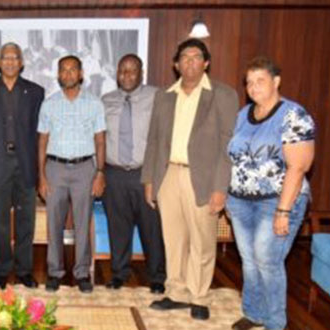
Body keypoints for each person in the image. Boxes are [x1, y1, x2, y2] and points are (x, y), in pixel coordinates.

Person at [141, 38, 239, 320]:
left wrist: (221, 187)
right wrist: (150, 179)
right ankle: (176, 292)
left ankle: (199, 295)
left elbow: (227, 145)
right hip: (168, 174)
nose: (190, 62)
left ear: (206, 63)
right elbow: (154, 140)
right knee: (173, 239)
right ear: (176, 64)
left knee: (202, 240)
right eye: (184, 57)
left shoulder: (223, 94)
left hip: (204, 178)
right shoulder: (164, 95)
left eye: (196, 57)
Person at [227, 57, 315, 330]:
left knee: (268, 260)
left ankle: (276, 323)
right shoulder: (243, 115)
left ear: (276, 82)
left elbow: (298, 167)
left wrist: (284, 211)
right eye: (249, 82)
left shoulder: (293, 114)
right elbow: (233, 157)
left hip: (277, 201)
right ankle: (253, 313)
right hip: (241, 201)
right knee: (249, 261)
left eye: (260, 81)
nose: (253, 87)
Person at [0, 42, 45, 290]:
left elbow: (40, 136)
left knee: (26, 220)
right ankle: (2, 270)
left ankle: (25, 270)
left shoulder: (36, 92)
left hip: (26, 165)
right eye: (6, 57)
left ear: (22, 62)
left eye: (15, 57)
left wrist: (41, 171)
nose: (10, 61)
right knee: (1, 222)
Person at [38, 55, 106, 294]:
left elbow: (100, 140)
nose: (68, 74)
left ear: (80, 74)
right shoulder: (49, 104)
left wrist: (100, 172)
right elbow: (42, 141)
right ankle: (55, 272)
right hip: (54, 168)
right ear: (58, 75)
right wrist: (42, 176)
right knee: (54, 222)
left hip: (85, 168)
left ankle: (81, 272)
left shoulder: (95, 104)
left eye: (72, 70)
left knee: (82, 221)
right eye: (63, 70)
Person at [100, 54, 166, 293]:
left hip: (145, 173)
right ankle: (119, 273)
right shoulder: (106, 100)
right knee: (118, 228)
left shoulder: (157, 97)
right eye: (122, 71)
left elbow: (162, 138)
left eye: (132, 70)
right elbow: (99, 138)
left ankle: (157, 276)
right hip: (114, 173)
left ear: (141, 73)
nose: (126, 75)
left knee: (152, 228)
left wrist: (156, 175)